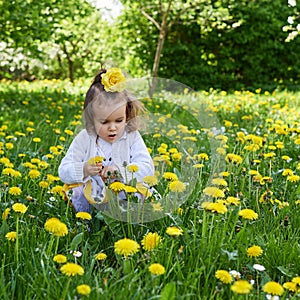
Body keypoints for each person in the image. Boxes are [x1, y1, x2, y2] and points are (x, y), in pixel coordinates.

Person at [58, 67, 155, 212]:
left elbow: (147, 168)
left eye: (119, 120)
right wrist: (83, 169)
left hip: (123, 193)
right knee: (76, 192)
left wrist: (121, 171)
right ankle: (87, 224)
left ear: (127, 115)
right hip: (92, 195)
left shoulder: (131, 137)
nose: (113, 128)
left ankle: (129, 224)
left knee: (139, 194)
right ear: (91, 119)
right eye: (104, 122)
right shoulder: (85, 138)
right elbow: (63, 171)